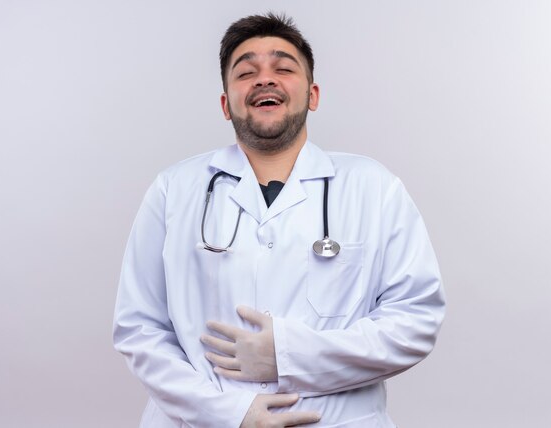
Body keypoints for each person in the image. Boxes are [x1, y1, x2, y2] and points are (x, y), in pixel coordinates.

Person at [113, 12, 445, 428]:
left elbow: (415, 321)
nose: (264, 79)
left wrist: (287, 355)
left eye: (283, 68)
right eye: (246, 72)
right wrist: (229, 413)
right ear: (225, 104)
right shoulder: (173, 189)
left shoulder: (374, 188)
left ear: (312, 94)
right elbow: (139, 328)